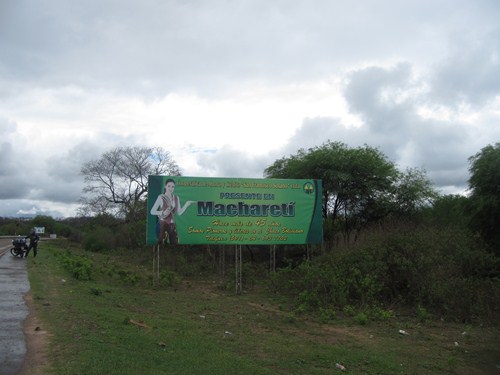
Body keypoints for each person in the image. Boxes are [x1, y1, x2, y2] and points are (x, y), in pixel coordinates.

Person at [150, 178, 195, 245]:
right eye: (169, 186)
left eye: (172, 187)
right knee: (161, 243)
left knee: (175, 243)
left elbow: (179, 212)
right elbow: (152, 211)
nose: (170, 188)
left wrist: (186, 204)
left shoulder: (176, 198)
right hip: (163, 224)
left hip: (172, 225)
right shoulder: (161, 197)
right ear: (165, 186)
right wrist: (162, 212)